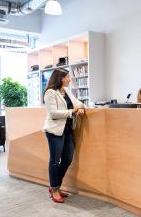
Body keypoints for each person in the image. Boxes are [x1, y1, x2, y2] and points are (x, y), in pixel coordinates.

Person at [43, 68, 85, 203]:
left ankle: (54, 186)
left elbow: (77, 101)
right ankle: (55, 189)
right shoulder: (50, 93)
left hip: (67, 130)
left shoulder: (66, 91)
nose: (69, 79)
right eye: (67, 77)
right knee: (55, 161)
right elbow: (53, 113)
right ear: (60, 78)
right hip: (55, 131)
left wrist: (81, 107)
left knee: (67, 159)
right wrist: (72, 111)